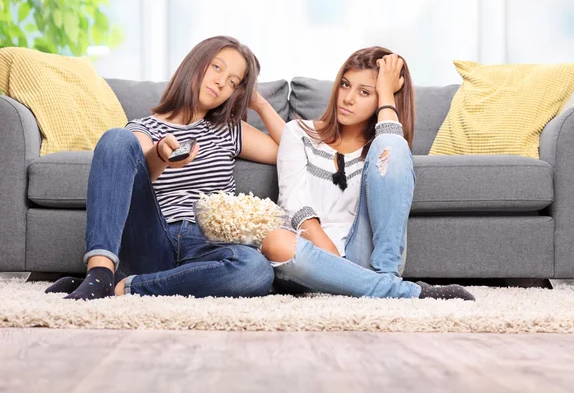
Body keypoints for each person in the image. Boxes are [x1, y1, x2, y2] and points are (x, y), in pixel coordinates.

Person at [47, 35, 285, 300]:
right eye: (217, 67)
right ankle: (100, 273)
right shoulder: (143, 127)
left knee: (256, 270)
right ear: (196, 64)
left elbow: (292, 152)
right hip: (153, 239)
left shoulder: (229, 129)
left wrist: (260, 103)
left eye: (233, 82)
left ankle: (122, 287)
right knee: (116, 138)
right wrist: (161, 155)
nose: (221, 82)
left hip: (206, 244)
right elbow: (135, 171)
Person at [261, 47, 475, 301]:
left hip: (364, 258)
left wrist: (386, 93)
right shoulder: (297, 132)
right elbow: (294, 204)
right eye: (345, 85)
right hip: (309, 260)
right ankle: (396, 291)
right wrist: (333, 266)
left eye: (364, 92)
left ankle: (385, 276)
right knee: (275, 240)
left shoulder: (381, 148)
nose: (348, 98)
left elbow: (391, 149)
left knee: (393, 146)